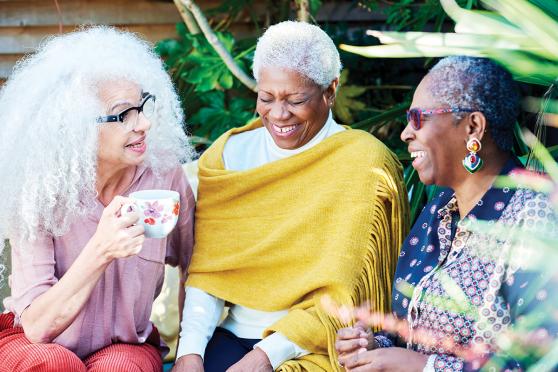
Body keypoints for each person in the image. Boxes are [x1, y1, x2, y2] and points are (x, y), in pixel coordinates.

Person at [172, 21, 409, 372]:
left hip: (318, 345)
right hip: (233, 336)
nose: (279, 115)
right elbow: (209, 273)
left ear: (331, 91)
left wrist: (265, 356)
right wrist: (189, 353)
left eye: (296, 100)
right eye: (266, 98)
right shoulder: (229, 155)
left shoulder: (363, 163)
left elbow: (343, 294)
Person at [335, 56, 558, 371]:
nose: (405, 134)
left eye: (418, 118)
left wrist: (424, 367)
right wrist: (374, 347)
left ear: (473, 127)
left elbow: (544, 362)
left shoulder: (537, 216)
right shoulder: (441, 206)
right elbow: (409, 338)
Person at [0, 27, 195, 371]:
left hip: (126, 345)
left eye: (144, 105)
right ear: (76, 127)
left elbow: (197, 268)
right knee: (55, 365)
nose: (145, 123)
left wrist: (189, 354)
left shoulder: (165, 179)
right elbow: (37, 327)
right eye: (124, 114)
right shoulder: (39, 190)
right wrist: (101, 249)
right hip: (34, 343)